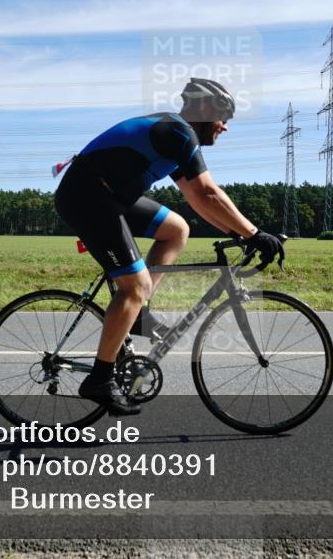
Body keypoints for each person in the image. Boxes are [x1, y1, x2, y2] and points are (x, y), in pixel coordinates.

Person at [54, 78, 285, 415]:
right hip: (88, 197)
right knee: (134, 286)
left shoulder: (175, 137)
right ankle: (100, 379)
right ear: (204, 108)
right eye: (223, 117)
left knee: (176, 230)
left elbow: (198, 199)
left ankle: (136, 312)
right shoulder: (178, 133)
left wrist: (239, 233)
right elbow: (206, 192)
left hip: (110, 196)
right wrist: (253, 233)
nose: (224, 126)